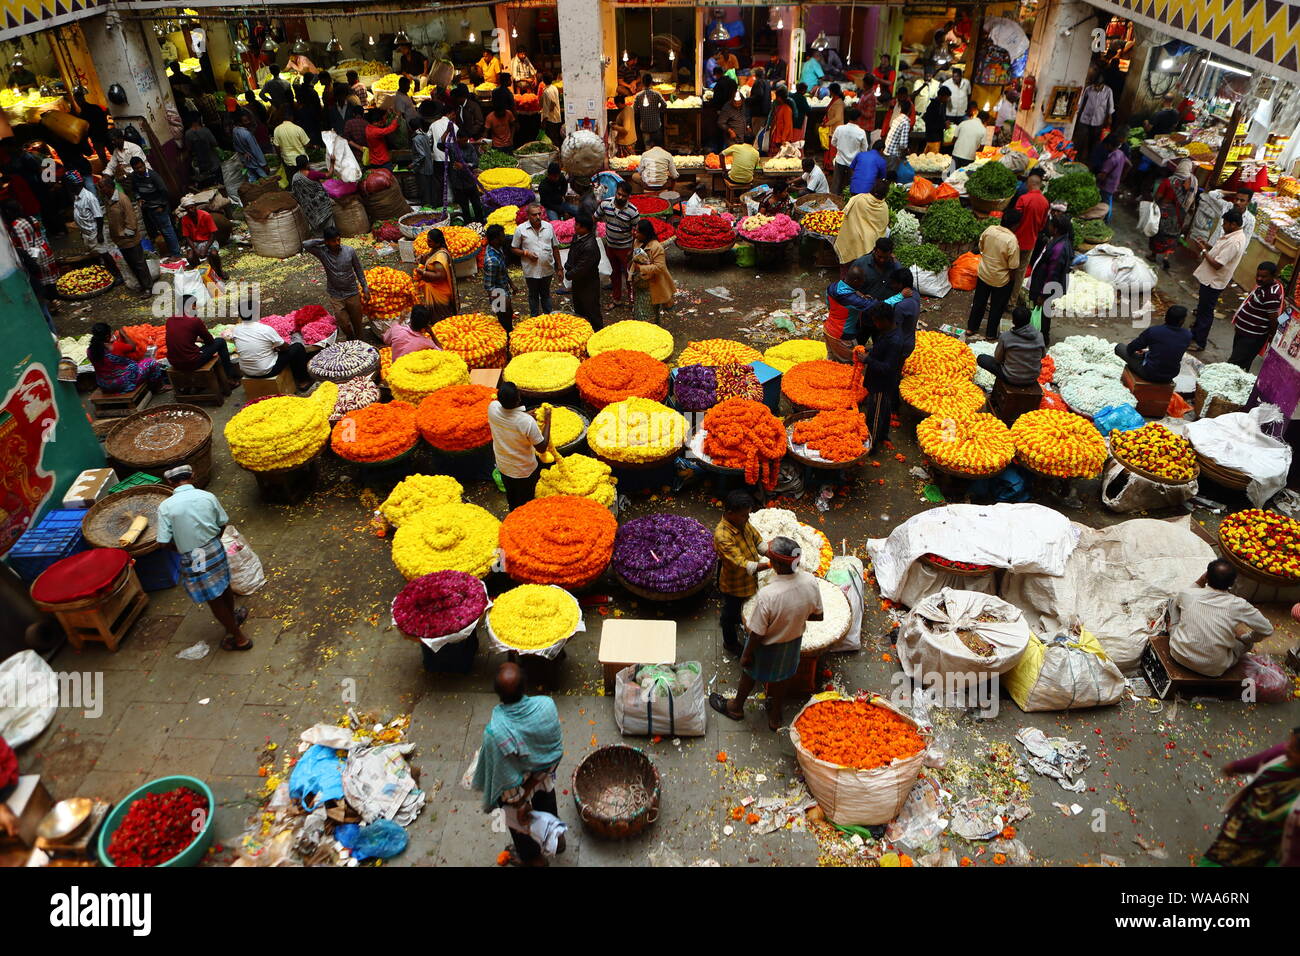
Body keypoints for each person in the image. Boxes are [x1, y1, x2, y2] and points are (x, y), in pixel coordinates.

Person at [709, 536, 823, 731]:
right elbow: (817, 616)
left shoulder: (769, 595)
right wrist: (793, 618)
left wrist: (746, 654)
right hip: (793, 642)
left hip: (766, 646)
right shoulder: (810, 581)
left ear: (776, 564)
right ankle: (775, 715)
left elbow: (757, 633)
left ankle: (736, 707)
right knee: (783, 677)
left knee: (749, 673)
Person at [471, 661, 565, 867]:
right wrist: (534, 782)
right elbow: (554, 754)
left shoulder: (495, 734)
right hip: (544, 781)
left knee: (523, 832)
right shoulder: (546, 706)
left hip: (517, 795)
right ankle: (557, 840)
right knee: (548, 812)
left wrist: (521, 802)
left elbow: (504, 778)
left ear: (498, 695)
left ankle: (534, 860)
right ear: (525, 687)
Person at [156, 465, 253, 652]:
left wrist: (183, 549)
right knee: (223, 585)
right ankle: (232, 618)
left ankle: (239, 638)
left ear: (169, 483)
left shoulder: (166, 507)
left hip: (193, 556)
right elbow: (222, 523)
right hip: (214, 548)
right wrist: (213, 540)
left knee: (213, 598)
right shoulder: (207, 497)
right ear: (193, 475)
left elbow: (163, 541)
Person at [1201, 727, 1300, 867]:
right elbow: (1259, 760)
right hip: (1239, 828)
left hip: (1266, 849)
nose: (1287, 747)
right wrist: (1235, 767)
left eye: (1295, 748)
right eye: (1290, 741)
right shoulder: (1281, 755)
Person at [1168, 559, 1273, 678]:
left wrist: (1201, 580)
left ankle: (1172, 627)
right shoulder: (1238, 604)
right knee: (1248, 644)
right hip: (1213, 669)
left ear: (1206, 576)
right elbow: (1267, 629)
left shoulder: (1188, 594)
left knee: (1173, 602)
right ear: (1232, 583)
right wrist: (1245, 638)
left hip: (1178, 654)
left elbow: (1182, 597)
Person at [712, 490, 769, 655]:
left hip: (748, 580)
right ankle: (730, 643)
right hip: (734, 585)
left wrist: (769, 551)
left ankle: (739, 618)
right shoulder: (722, 536)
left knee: (741, 608)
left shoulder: (742, 522)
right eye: (745, 515)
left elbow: (756, 539)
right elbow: (741, 564)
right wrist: (770, 564)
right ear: (730, 513)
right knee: (729, 614)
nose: (748, 518)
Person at [1191, 209, 1249, 352]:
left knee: (1206, 311)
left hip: (1214, 281)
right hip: (1211, 279)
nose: (1223, 226)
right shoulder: (1232, 236)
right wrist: (1208, 246)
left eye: (1225, 223)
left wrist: (1203, 251)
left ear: (1233, 224)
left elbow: (1217, 264)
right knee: (1202, 308)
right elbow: (1219, 252)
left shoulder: (1234, 242)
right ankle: (1195, 333)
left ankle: (1200, 341)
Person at [488, 382, 551, 509]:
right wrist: (548, 420)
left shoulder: (492, 408)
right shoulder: (527, 422)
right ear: (518, 399)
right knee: (526, 503)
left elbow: (510, 418)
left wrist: (526, 414)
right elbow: (542, 447)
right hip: (524, 471)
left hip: (504, 467)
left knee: (512, 498)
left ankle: (513, 515)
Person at [303, 227, 370, 340]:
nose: (337, 243)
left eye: (338, 240)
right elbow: (306, 244)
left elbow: (358, 270)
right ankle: (351, 338)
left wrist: (365, 288)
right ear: (327, 241)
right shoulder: (322, 252)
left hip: (352, 292)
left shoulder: (349, 251)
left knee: (357, 322)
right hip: (336, 295)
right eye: (333, 241)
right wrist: (322, 241)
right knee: (343, 323)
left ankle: (359, 341)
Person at [967, 208, 1022, 338]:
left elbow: (981, 247)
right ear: (1015, 225)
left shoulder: (990, 230)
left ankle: (971, 328)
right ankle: (990, 334)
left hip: (984, 273)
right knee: (997, 307)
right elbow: (1013, 266)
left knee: (979, 302)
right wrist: (1012, 281)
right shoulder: (1011, 240)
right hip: (1001, 279)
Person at [855, 303, 904, 445]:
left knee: (874, 416)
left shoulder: (894, 341)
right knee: (883, 410)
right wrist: (871, 350)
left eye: (876, 321)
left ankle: (872, 443)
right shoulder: (889, 332)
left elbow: (888, 367)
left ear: (886, 320)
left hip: (881, 385)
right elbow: (882, 350)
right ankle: (883, 435)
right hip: (878, 381)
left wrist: (867, 359)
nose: (875, 324)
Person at [165, 294, 238, 382]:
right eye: (195, 306)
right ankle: (229, 377)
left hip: (174, 362)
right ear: (191, 306)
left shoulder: (170, 320)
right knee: (220, 341)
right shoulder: (194, 321)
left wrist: (198, 339)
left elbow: (182, 336)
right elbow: (210, 341)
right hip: (191, 362)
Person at [231, 309, 311, 389]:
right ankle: (303, 381)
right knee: (297, 347)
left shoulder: (236, 329)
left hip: (247, 371)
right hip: (267, 371)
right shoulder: (265, 329)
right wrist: (275, 348)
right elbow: (284, 347)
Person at [1229, 262, 1285, 370]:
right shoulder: (1263, 286)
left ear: (1273, 276)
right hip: (1243, 332)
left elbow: (1274, 320)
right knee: (1240, 364)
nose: (1259, 279)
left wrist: (1272, 337)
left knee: (1232, 365)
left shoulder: (1271, 294)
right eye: (1258, 275)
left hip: (1252, 338)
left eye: (1263, 277)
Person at [1115, 306, 1192, 384]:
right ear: (1182, 321)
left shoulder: (1154, 331)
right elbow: (1170, 350)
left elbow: (1131, 348)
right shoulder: (1188, 336)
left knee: (1119, 347)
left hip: (1149, 374)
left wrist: (1136, 353)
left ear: (1165, 317)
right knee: (1152, 357)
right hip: (1170, 375)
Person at [1028, 213, 1073, 345]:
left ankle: (1042, 338)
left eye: (1051, 225)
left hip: (1046, 286)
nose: (1048, 226)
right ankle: (1041, 335)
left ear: (1056, 229)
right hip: (1046, 284)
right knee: (1044, 312)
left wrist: (1043, 294)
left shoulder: (1059, 248)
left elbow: (1052, 273)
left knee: (1043, 311)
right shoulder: (1060, 241)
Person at [67, 171, 119, 284]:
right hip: (86, 233)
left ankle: (117, 275)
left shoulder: (89, 197)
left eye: (69, 184)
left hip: (95, 231)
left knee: (104, 253)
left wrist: (100, 234)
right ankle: (104, 275)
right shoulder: (76, 197)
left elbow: (99, 216)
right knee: (95, 255)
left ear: (76, 184)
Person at [87, 323, 169, 394]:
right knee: (151, 362)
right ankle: (158, 388)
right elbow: (132, 347)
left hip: (104, 385)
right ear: (107, 336)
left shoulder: (90, 351)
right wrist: (123, 334)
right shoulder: (115, 347)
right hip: (122, 384)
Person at [512, 203, 563, 316]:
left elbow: (555, 247)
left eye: (539, 214)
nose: (538, 217)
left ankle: (548, 317)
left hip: (547, 268)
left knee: (546, 293)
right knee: (533, 294)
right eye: (534, 215)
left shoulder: (548, 227)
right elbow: (514, 248)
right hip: (531, 270)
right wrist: (526, 253)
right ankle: (534, 317)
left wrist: (559, 267)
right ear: (528, 216)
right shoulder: (520, 229)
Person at [4, 198, 57, 304]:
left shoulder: (17, 225)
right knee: (50, 280)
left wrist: (31, 263)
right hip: (45, 250)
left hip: (36, 254)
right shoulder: (31, 218)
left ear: (8, 212)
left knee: (42, 282)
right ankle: (55, 299)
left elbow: (26, 247)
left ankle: (50, 303)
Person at [1149, 158, 1197, 271]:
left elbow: (1158, 196)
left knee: (1158, 233)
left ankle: (1153, 255)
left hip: (1165, 213)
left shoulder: (1169, 181)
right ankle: (1166, 256)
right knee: (1172, 236)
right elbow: (1192, 200)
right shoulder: (1193, 182)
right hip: (1179, 215)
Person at [978, 306, 1045, 386]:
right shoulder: (1039, 336)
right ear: (1029, 320)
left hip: (1011, 378)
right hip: (1032, 378)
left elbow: (998, 359)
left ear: (1013, 321)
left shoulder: (1006, 336)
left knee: (982, 358)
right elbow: (1042, 356)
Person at [598, 180, 640, 305]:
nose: (620, 197)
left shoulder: (633, 211)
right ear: (615, 192)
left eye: (624, 196)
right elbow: (595, 217)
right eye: (619, 194)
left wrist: (632, 250)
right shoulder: (605, 204)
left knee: (629, 276)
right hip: (610, 246)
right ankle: (616, 299)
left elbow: (638, 232)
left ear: (629, 196)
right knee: (614, 274)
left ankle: (632, 301)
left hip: (625, 248)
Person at [1009, 169, 1048, 301]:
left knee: (1008, 269)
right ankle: (1012, 301)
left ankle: (999, 298)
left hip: (1015, 241)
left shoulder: (1023, 199)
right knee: (1020, 272)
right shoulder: (1045, 202)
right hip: (1030, 242)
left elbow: (1014, 220)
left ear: (1029, 184)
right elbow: (1042, 226)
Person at [835, 179, 891, 267]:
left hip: (853, 236)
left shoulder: (859, 198)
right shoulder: (884, 207)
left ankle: (846, 275)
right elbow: (883, 225)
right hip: (871, 242)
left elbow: (845, 214)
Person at [630, 218, 675, 323]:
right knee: (639, 312)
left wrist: (641, 268)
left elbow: (660, 267)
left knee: (647, 315)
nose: (635, 233)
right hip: (639, 284)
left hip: (651, 286)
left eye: (637, 231)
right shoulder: (637, 242)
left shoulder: (656, 247)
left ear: (645, 233)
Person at [411, 227, 459, 321]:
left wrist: (423, 273)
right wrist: (422, 258)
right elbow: (429, 258)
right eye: (427, 240)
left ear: (437, 242)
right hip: (434, 289)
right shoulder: (435, 250)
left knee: (442, 317)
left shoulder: (440, 256)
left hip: (440, 292)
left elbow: (440, 276)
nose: (427, 243)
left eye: (430, 241)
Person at [567, 213, 602, 329]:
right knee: (579, 310)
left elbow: (582, 267)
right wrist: (568, 265)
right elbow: (571, 253)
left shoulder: (590, 246)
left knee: (592, 311)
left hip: (588, 285)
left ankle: (597, 334)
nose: (574, 226)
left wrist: (569, 274)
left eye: (577, 224)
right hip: (578, 282)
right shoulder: (577, 237)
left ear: (584, 228)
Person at [179, 199, 228, 282]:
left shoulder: (205, 215)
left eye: (192, 207)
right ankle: (200, 273)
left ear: (195, 207)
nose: (191, 210)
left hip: (208, 240)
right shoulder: (184, 219)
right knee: (190, 257)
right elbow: (187, 237)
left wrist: (205, 249)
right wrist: (195, 249)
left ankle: (219, 271)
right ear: (186, 210)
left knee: (214, 254)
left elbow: (213, 233)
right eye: (188, 209)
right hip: (194, 242)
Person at [483, 223, 517, 332]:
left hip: (504, 289)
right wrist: (502, 300)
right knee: (504, 321)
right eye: (502, 236)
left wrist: (511, 284)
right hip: (498, 294)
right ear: (494, 240)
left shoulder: (498, 249)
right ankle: (506, 339)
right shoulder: (492, 261)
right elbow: (489, 287)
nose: (504, 238)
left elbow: (502, 270)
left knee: (509, 314)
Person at [1073, 74, 1114, 162]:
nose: (1096, 87)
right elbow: (1082, 102)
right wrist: (1078, 114)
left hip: (1098, 121)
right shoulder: (1088, 89)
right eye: (1095, 85)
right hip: (1085, 119)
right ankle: (1075, 157)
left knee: (1094, 141)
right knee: (1080, 139)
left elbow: (1110, 106)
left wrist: (1109, 118)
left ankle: (1089, 160)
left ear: (1103, 84)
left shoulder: (1108, 91)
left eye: (1098, 86)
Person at [831, 107, 869, 194]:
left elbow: (833, 143)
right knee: (851, 186)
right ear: (858, 118)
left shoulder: (839, 129)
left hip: (840, 160)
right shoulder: (861, 132)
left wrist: (841, 147)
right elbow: (864, 150)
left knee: (836, 184)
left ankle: (834, 202)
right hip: (853, 163)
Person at [851, 235, 901, 300]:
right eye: (879, 257)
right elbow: (848, 287)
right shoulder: (860, 264)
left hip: (888, 305)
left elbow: (903, 280)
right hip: (866, 305)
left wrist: (896, 262)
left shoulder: (894, 264)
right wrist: (862, 296)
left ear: (891, 254)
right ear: (874, 250)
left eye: (885, 258)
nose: (882, 260)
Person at [448, 132, 483, 224]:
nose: (465, 142)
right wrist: (448, 130)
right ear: (457, 138)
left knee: (477, 205)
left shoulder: (470, 147)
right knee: (465, 208)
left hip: (470, 182)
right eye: (463, 140)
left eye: (466, 140)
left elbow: (475, 163)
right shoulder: (452, 147)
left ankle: (480, 223)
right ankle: (468, 225)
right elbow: (440, 145)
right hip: (458, 184)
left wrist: (464, 165)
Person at [1096, 134, 1130, 218]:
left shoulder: (1111, 159)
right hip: (1115, 182)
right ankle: (1107, 217)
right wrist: (1122, 177)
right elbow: (1129, 164)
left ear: (1109, 145)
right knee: (1109, 200)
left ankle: (1107, 219)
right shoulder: (1120, 153)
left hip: (1107, 185)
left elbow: (1103, 175)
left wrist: (1095, 178)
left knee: (1106, 204)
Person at [183, 115, 221, 188]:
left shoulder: (188, 134)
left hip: (201, 164)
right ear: (197, 120)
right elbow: (214, 143)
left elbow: (189, 148)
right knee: (218, 182)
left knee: (207, 185)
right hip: (213, 162)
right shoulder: (206, 130)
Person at [233, 111, 271, 182]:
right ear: (240, 123)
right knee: (266, 180)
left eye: (248, 120)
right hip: (255, 162)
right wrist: (264, 164)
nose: (248, 122)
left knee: (252, 179)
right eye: (245, 121)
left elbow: (236, 146)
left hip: (247, 161)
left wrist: (243, 153)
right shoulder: (247, 134)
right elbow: (256, 150)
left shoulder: (235, 131)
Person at [634, 73, 667, 150]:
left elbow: (635, 109)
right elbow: (664, 105)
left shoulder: (638, 96)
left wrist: (641, 111)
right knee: (658, 148)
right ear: (651, 82)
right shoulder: (657, 94)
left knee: (647, 147)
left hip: (645, 127)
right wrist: (658, 110)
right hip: (656, 125)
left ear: (642, 82)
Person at [881, 96, 912, 178]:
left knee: (886, 175)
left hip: (887, 150)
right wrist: (907, 150)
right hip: (893, 154)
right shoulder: (905, 122)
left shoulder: (897, 118)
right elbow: (903, 144)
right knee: (890, 178)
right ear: (909, 110)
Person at [922, 87, 951, 152]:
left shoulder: (941, 105)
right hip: (933, 138)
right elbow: (931, 123)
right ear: (941, 96)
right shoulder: (934, 106)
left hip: (936, 137)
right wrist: (944, 125)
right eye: (947, 97)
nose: (947, 99)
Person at [540, 73, 563, 146]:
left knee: (551, 140)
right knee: (555, 138)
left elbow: (548, 107)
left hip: (550, 119)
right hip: (557, 117)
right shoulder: (554, 88)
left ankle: (554, 155)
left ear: (543, 80)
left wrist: (544, 121)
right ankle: (557, 153)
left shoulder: (546, 92)